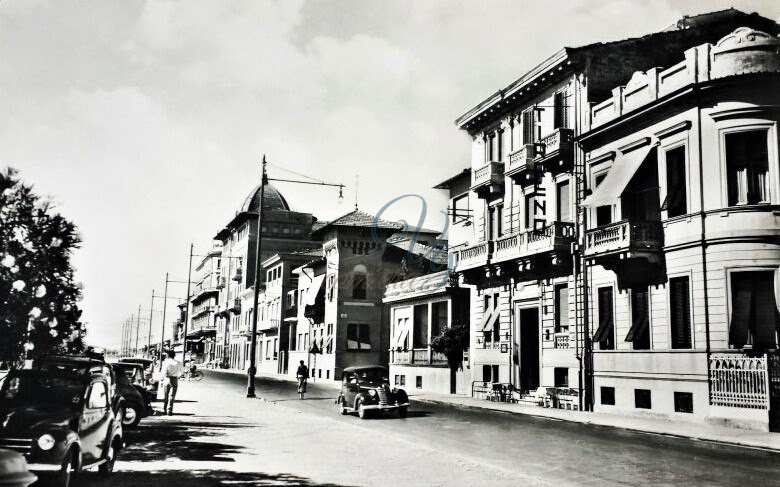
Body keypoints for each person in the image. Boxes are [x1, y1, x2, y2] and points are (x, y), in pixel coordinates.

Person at [162, 350, 182, 415]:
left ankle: (164, 410)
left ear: (168, 355)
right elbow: (182, 372)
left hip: (167, 379)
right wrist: (177, 376)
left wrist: (163, 378)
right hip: (174, 379)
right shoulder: (179, 363)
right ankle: (169, 410)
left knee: (166, 395)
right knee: (172, 396)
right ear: (174, 355)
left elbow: (164, 372)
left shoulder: (166, 362)